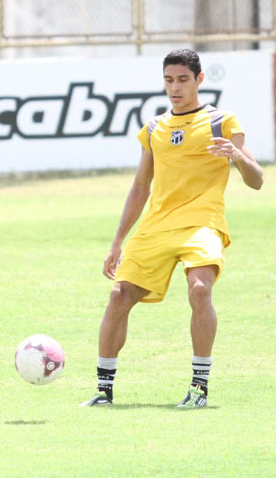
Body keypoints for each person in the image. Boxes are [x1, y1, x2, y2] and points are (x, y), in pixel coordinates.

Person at [81, 49, 263, 409]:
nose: (175, 88)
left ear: (199, 79)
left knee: (199, 290)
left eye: (182, 80)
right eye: (169, 80)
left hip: (202, 222)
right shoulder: (154, 129)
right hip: (156, 224)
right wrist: (117, 241)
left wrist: (238, 157)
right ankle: (104, 390)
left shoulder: (222, 122)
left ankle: (198, 387)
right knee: (119, 296)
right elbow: (139, 188)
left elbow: (256, 181)